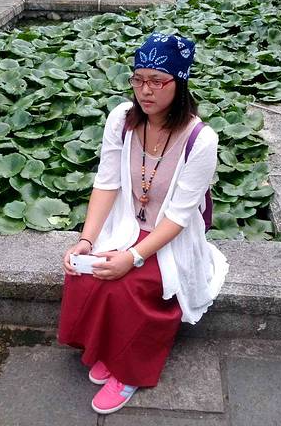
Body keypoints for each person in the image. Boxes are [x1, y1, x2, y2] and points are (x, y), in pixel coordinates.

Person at [58, 32, 229, 415]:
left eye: (157, 81)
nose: (145, 90)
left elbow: (179, 217)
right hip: (126, 222)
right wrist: (86, 240)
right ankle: (105, 349)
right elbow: (106, 183)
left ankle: (129, 372)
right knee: (85, 270)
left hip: (168, 236)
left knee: (132, 285)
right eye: (138, 79)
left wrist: (133, 257)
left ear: (179, 82)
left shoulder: (200, 139)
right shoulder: (122, 120)